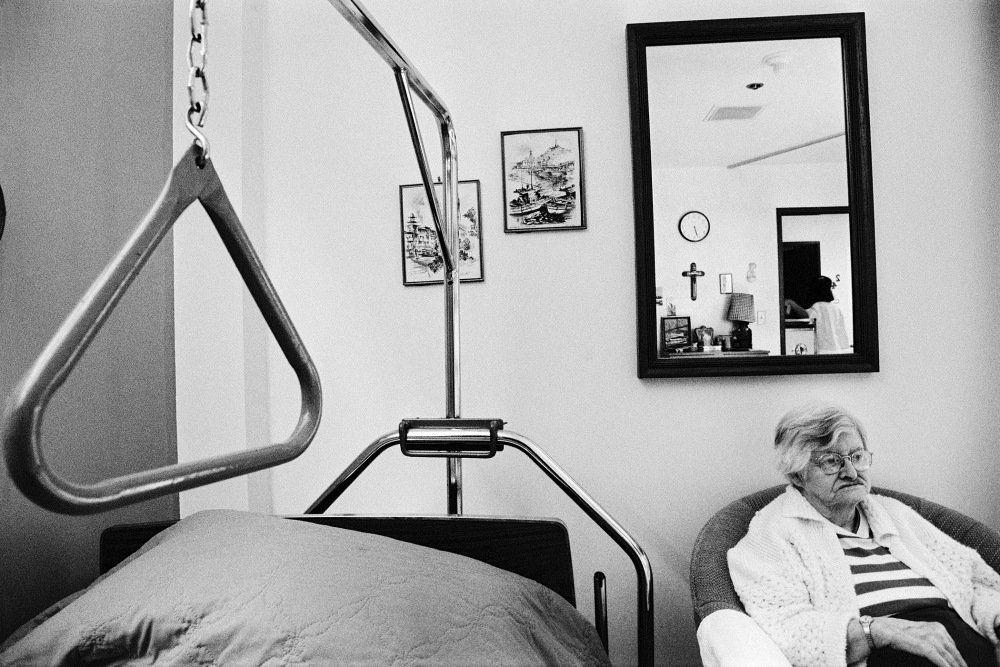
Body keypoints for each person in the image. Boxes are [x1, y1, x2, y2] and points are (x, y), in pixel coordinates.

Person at [728, 402, 1000, 667]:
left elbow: (972, 581)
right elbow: (786, 632)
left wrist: (997, 619)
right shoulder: (772, 533)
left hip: (963, 645)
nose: (851, 472)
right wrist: (877, 631)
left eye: (857, 457)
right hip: (887, 655)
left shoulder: (893, 514)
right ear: (797, 476)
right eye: (831, 462)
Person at [785, 276, 850, 354]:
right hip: (837, 350)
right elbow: (842, 336)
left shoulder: (818, 306)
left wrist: (791, 303)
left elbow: (807, 318)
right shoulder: (836, 309)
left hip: (823, 351)